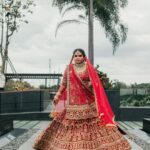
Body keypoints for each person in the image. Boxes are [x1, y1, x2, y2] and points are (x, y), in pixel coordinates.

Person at [33, 49, 131, 150]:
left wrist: (90, 84)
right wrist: (58, 94)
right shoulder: (68, 68)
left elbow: (95, 83)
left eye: (80, 55)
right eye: (75, 56)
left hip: (88, 102)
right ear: (73, 57)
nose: (77, 58)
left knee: (93, 124)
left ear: (84, 57)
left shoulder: (89, 68)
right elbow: (64, 83)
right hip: (72, 104)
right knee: (66, 124)